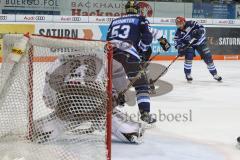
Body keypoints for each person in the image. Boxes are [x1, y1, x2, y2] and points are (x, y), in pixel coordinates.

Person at [107, 0, 170, 125]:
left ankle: (115, 101)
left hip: (109, 53)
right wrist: (164, 43)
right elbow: (151, 34)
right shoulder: (140, 19)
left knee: (111, 82)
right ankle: (145, 112)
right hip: (129, 54)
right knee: (141, 84)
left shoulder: (114, 21)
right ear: (138, 9)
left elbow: (108, 39)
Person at [174, 16, 222, 82]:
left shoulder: (192, 23)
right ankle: (188, 74)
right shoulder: (178, 33)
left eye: (180, 23)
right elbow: (177, 42)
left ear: (184, 22)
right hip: (190, 45)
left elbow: (203, 28)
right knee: (189, 56)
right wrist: (180, 48)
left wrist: (199, 31)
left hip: (200, 42)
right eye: (177, 24)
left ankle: (215, 74)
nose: (179, 25)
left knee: (208, 58)